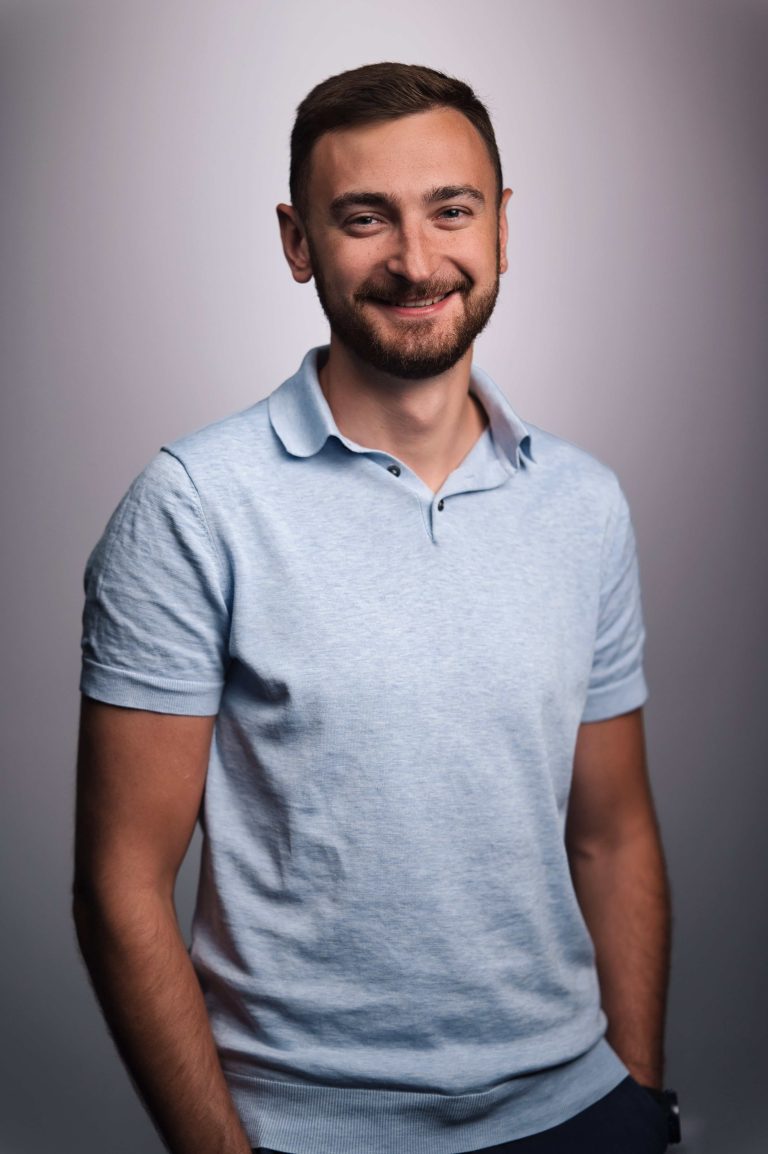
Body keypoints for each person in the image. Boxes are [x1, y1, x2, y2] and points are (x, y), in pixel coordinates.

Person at [73, 63, 679, 1154]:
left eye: (452, 210)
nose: (416, 259)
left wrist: (639, 1095)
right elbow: (121, 882)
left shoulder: (584, 503)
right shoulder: (195, 505)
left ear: (502, 227)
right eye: (365, 218)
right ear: (298, 242)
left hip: (578, 1111)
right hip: (307, 1129)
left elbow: (613, 831)